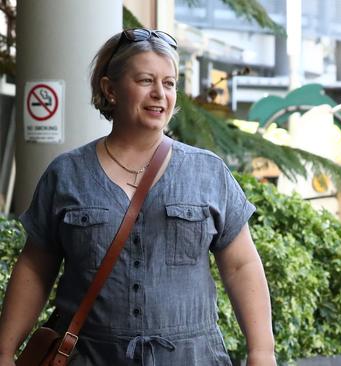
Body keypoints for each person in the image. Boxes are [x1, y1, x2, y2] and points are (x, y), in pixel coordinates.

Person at [0, 28, 275, 365]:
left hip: (192, 357)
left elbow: (241, 265)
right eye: (146, 80)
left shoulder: (208, 172)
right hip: (91, 357)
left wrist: (261, 353)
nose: (160, 93)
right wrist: (4, 352)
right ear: (110, 89)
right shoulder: (67, 173)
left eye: (169, 83)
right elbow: (35, 267)